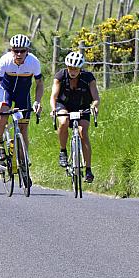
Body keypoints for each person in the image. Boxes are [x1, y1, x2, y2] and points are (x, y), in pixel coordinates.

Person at [0, 34, 44, 171]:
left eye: (22, 51)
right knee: (3, 113)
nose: (19, 54)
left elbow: (39, 84)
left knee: (23, 127)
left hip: (23, 94)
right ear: (11, 50)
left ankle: (23, 158)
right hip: (6, 90)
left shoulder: (34, 62)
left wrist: (37, 102)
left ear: (28, 51)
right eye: (15, 50)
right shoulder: (4, 61)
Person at [50, 51, 100, 183]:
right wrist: (54, 109)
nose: (73, 71)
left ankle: (88, 170)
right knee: (64, 121)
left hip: (82, 105)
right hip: (64, 105)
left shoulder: (88, 77)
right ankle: (63, 151)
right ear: (67, 67)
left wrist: (95, 106)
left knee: (83, 132)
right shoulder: (60, 76)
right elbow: (54, 96)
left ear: (80, 68)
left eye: (76, 69)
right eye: (70, 68)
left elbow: (95, 98)